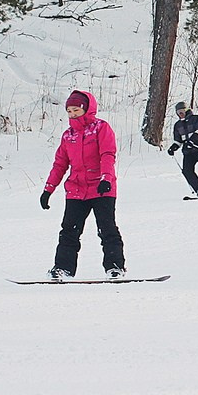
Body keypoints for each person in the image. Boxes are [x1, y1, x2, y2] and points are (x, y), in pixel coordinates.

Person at [41, 90, 126, 280]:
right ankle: (63, 269)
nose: (72, 114)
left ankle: (115, 268)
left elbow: (107, 154)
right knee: (69, 232)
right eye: (69, 111)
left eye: (76, 110)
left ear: (86, 109)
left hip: (101, 188)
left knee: (107, 229)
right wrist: (48, 189)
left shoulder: (100, 128)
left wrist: (105, 178)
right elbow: (60, 164)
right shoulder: (68, 136)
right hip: (76, 190)